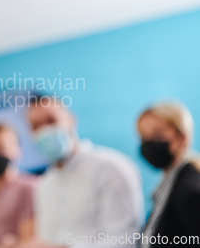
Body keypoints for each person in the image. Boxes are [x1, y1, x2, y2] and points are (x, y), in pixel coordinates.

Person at [25, 95, 143, 248]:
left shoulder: (111, 168)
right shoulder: (44, 184)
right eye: (36, 126)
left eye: (51, 121)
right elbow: (47, 240)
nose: (45, 131)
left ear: (71, 120)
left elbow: (127, 240)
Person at [137, 102, 200, 247]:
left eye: (157, 135)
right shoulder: (168, 189)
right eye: (143, 137)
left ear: (181, 138)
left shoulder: (190, 193)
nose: (148, 143)